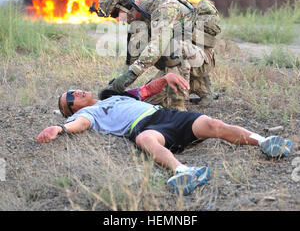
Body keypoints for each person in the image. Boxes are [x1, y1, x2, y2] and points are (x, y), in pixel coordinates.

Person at [37, 73, 293, 196]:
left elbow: (146, 91)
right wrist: (60, 129)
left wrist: (167, 77)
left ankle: (265, 141)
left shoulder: (113, 96)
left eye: (74, 90)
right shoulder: (89, 115)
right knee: (145, 140)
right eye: (70, 98)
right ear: (71, 110)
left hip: (166, 116)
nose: (76, 92)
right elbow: (79, 124)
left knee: (214, 125)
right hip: (144, 127)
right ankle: (184, 172)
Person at [92, 0, 221, 111]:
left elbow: (158, 45)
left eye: (116, 13)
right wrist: (117, 84)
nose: (118, 19)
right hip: (185, 61)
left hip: (202, 59)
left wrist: (130, 75)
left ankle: (177, 106)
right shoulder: (138, 23)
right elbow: (132, 59)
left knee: (171, 47)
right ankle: (200, 87)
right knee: (146, 102)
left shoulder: (165, 7)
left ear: (128, 2)